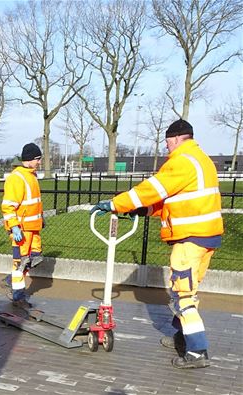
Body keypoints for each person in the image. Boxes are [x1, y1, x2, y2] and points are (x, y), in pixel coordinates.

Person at [91, 119, 223, 369]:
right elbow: (176, 198)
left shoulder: (181, 161)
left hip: (190, 237)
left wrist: (115, 204)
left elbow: (150, 189)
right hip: (207, 235)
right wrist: (145, 210)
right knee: (189, 291)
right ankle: (181, 336)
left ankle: (197, 352)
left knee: (183, 294)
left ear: (175, 139)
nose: (166, 147)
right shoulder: (202, 159)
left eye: (166, 142)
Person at [0, 142, 45, 309]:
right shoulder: (17, 178)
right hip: (22, 230)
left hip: (34, 228)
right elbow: (8, 205)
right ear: (29, 159)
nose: (40, 162)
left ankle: (9, 281)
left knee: (35, 258)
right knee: (20, 264)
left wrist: (41, 218)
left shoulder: (31, 176)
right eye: (38, 159)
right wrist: (14, 226)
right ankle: (18, 297)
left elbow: (34, 203)